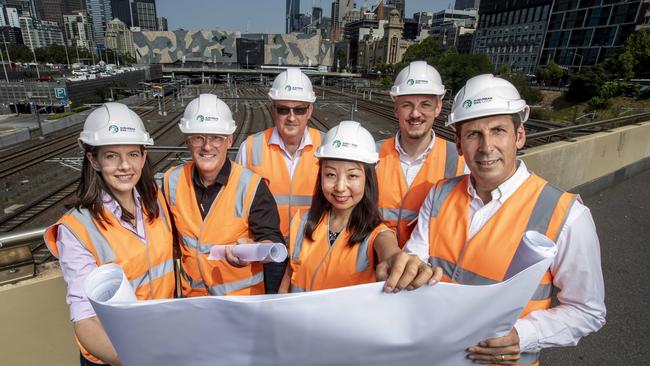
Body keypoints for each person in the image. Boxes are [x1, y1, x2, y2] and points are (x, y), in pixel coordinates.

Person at [402, 74, 606, 365]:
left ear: (519, 136)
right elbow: (415, 258)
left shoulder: (567, 215)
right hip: (434, 355)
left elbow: (588, 311)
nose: (487, 147)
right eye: (473, 134)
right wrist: (407, 266)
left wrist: (524, 334)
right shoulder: (439, 195)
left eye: (498, 130)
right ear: (458, 144)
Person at [44, 102, 175, 366]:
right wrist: (130, 358)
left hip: (160, 340)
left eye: (133, 155)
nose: (125, 166)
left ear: (143, 156)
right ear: (93, 159)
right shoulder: (76, 229)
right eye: (112, 155)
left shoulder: (156, 202)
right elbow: (85, 317)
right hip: (115, 355)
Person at [278, 121, 441, 293]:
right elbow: (290, 274)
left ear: (368, 178)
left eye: (353, 176)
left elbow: (390, 252)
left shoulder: (377, 234)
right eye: (331, 174)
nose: (340, 186)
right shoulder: (302, 220)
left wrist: (400, 260)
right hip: (295, 320)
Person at [164, 93, 284, 296]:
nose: (207, 146)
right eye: (198, 138)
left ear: (229, 141)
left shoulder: (252, 186)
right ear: (187, 141)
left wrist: (255, 249)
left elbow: (271, 240)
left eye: (216, 138)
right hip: (193, 302)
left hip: (240, 306)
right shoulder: (172, 181)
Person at [376, 61, 465, 247]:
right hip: (376, 267)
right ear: (396, 109)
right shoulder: (372, 154)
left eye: (425, 104)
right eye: (407, 105)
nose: (415, 114)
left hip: (428, 270)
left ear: (438, 108)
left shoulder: (459, 161)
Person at [236, 67, 322, 237]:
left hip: (311, 250)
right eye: (283, 109)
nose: (291, 117)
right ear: (272, 109)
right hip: (266, 248)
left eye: (299, 110)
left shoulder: (326, 146)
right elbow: (236, 203)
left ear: (309, 111)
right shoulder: (251, 147)